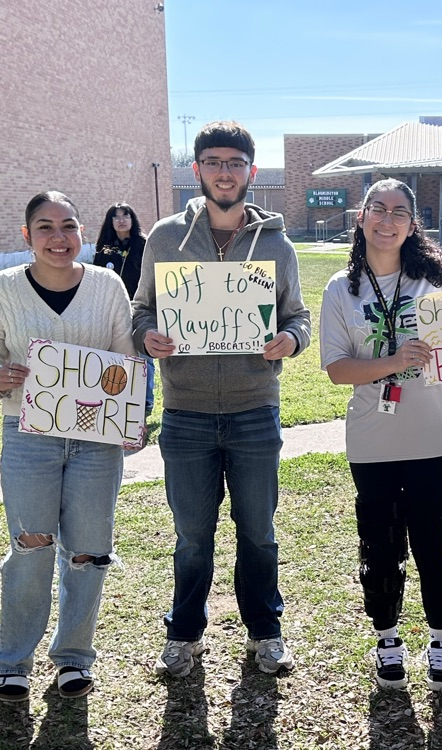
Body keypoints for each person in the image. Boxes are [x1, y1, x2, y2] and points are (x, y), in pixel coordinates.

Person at [132, 120, 311, 678]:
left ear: (251, 172)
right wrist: (147, 335)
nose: (225, 172)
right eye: (214, 162)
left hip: (255, 408)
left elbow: (297, 316)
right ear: (198, 170)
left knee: (259, 533)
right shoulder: (165, 238)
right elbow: (142, 309)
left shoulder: (276, 244)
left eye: (235, 163)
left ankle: (266, 631)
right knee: (191, 537)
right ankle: (184, 634)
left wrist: (291, 339)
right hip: (185, 413)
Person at [320, 178, 442, 691]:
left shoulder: (437, 283)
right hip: (371, 440)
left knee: (429, 543)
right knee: (379, 544)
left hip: (430, 437)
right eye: (377, 209)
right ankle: (387, 638)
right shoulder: (341, 288)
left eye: (399, 211)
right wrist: (394, 361)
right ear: (361, 217)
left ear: (412, 223)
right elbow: (336, 370)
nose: (387, 219)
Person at [0, 191, 135, 702]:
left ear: (83, 231)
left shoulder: (106, 285)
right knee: (29, 548)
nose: (59, 238)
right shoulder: (6, 288)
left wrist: (131, 417)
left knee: (87, 551)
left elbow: (126, 362)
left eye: (69, 225)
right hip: (27, 435)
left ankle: (74, 657)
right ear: (27, 236)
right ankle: (12, 659)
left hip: (96, 441)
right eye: (45, 227)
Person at [94, 202, 154, 415]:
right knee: (115, 353)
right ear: (110, 221)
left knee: (143, 354)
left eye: (125, 215)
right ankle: (119, 397)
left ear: (132, 219)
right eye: (116, 216)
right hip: (111, 308)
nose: (121, 220)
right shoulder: (104, 247)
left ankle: (145, 401)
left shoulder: (143, 244)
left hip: (139, 307)